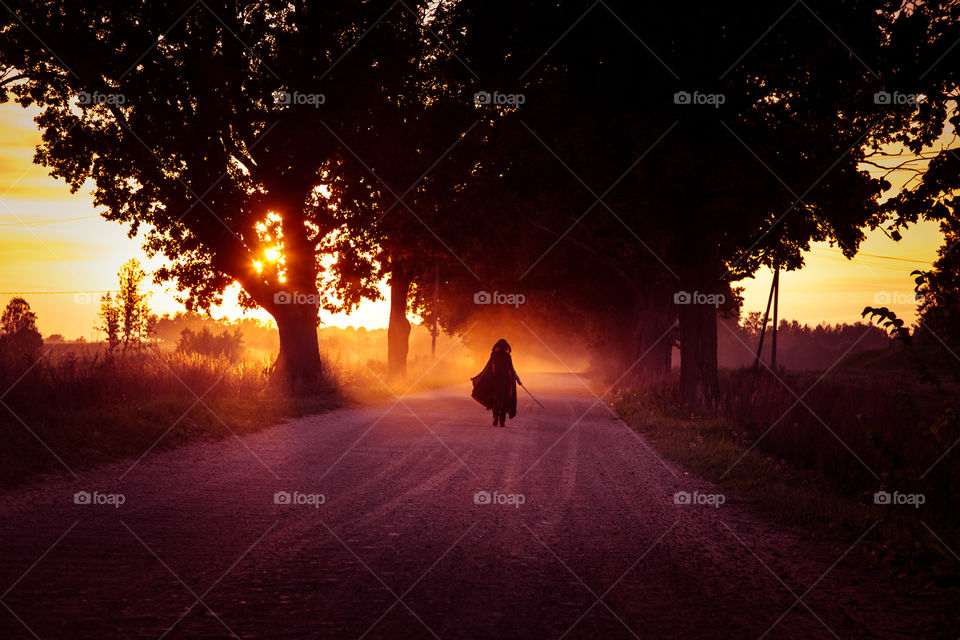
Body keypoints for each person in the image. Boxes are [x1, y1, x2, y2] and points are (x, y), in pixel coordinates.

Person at [470, 338, 522, 427]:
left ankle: (495, 416)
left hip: (494, 380)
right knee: (505, 399)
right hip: (505, 381)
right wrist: (518, 380)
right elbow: (512, 370)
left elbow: (488, 368)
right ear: (506, 347)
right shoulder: (507, 356)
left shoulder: (494, 355)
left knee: (495, 398)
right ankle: (502, 421)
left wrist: (479, 377)